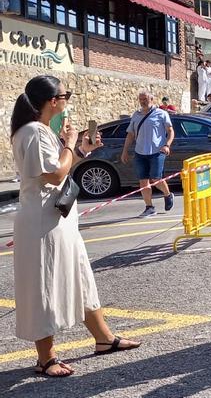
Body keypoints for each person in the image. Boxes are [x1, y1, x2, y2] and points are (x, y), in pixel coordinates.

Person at [11, 75, 140, 377]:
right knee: (44, 286)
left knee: (80, 276)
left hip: (56, 218)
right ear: (53, 101)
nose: (67, 100)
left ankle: (104, 338)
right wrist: (70, 145)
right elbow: (55, 175)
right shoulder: (33, 132)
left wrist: (79, 151)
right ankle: (46, 357)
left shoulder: (38, 131)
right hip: (43, 222)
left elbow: (59, 167)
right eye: (65, 95)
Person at [121, 90, 175, 218]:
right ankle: (149, 207)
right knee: (143, 181)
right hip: (140, 152)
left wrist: (167, 145)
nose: (143, 101)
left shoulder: (161, 114)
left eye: (145, 99)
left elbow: (170, 131)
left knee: (156, 179)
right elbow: (130, 134)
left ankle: (167, 194)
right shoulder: (136, 115)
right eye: (141, 99)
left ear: (152, 99)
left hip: (157, 151)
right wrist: (125, 151)